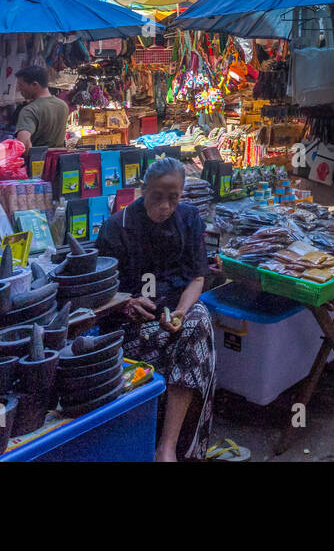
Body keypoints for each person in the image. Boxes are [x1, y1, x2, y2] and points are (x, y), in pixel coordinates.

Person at [95, 157, 216, 462]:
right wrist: (127, 303)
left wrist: (180, 312)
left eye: (173, 198)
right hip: (129, 323)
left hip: (175, 312)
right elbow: (101, 294)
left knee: (199, 321)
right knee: (167, 339)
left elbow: (197, 278)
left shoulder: (189, 218)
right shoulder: (117, 227)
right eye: (157, 197)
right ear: (143, 190)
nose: (165, 206)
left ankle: (168, 446)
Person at [13, 66, 69, 151]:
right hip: (57, 160)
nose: (18, 89)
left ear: (35, 85)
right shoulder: (63, 105)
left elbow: (23, 142)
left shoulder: (30, 110)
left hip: (36, 161)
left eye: (21, 85)